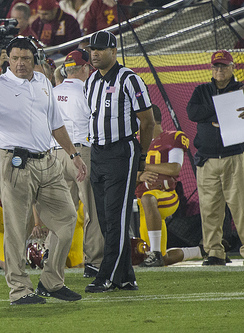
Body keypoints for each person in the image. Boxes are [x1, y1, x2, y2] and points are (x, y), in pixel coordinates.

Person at [0, 36, 86, 305]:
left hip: (48, 161)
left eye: (26, 58)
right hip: (15, 163)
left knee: (67, 218)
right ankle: (19, 290)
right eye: (16, 58)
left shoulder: (44, 82)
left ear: (35, 59)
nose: (21, 63)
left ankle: (51, 281)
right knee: (17, 229)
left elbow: (56, 123)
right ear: (7, 59)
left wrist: (74, 155)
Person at [83, 31, 154, 292]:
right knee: (105, 218)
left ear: (114, 51)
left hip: (122, 150)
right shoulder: (90, 81)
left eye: (101, 49)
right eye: (92, 49)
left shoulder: (130, 79)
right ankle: (124, 276)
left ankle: (107, 276)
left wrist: (141, 156)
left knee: (116, 217)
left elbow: (147, 122)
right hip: (98, 152)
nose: (95, 53)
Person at [187, 50, 244, 265]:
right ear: (211, 69)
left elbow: (200, 114)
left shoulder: (241, 89)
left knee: (241, 206)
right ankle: (214, 252)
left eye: (223, 66)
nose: (219, 70)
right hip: (207, 159)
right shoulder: (202, 90)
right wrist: (223, 108)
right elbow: (193, 113)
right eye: (216, 67)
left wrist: (210, 114)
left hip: (235, 156)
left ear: (232, 67)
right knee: (209, 208)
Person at [52, 49, 104, 278]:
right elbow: (97, 123)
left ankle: (52, 259)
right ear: (85, 68)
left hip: (55, 154)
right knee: (92, 208)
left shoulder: (52, 92)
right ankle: (94, 261)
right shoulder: (88, 91)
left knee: (59, 212)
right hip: (81, 152)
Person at [135, 105, 189, 267]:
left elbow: (174, 168)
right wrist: (140, 175)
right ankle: (197, 251)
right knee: (157, 260)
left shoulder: (172, 137)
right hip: (144, 207)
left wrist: (145, 167)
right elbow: (128, 174)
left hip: (166, 196)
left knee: (148, 197)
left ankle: (156, 253)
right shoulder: (136, 143)